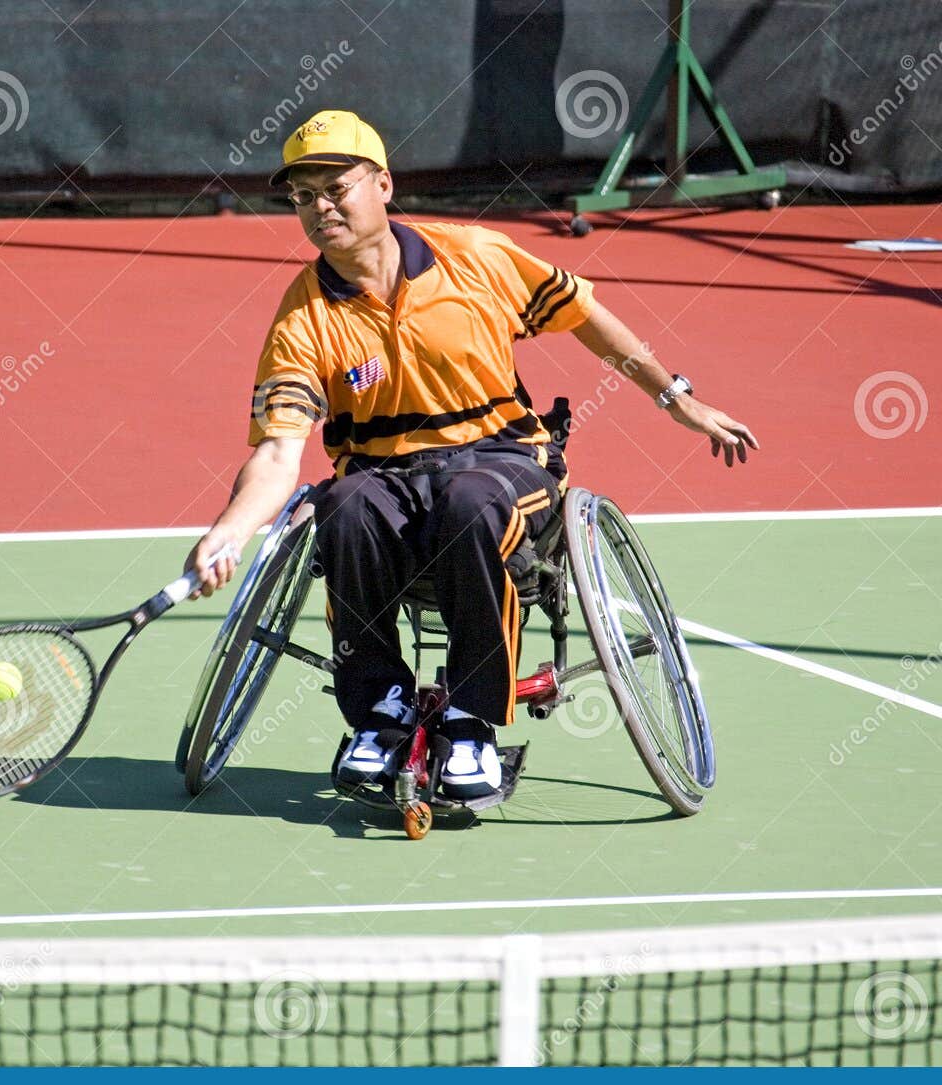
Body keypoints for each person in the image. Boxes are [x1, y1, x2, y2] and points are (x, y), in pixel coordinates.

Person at [186, 110, 758, 801]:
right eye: (304, 196)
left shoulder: (476, 256)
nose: (320, 207)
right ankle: (381, 711)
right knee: (340, 505)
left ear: (383, 185)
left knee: (470, 502)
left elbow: (586, 316)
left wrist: (676, 399)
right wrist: (230, 531)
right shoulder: (303, 316)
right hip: (382, 476)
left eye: (336, 188)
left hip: (502, 458)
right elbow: (280, 452)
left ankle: (470, 715)